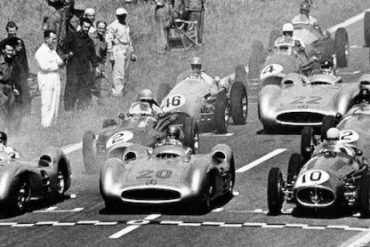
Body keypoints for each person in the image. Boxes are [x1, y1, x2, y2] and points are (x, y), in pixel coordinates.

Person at [61, 18, 99, 111]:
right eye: (85, 27)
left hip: (84, 68)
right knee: (72, 86)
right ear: (81, 26)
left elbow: (93, 55)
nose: (86, 29)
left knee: (83, 87)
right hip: (73, 67)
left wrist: (96, 66)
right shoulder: (73, 35)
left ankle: (81, 109)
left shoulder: (89, 41)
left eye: (88, 27)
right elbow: (62, 44)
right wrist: (68, 52)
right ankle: (69, 109)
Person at [0, 21, 31, 115]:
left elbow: (24, 59)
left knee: (23, 92)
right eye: (10, 33)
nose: (13, 35)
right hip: (9, 71)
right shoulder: (3, 43)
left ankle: (24, 112)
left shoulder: (20, 42)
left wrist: (26, 74)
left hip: (20, 71)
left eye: (14, 33)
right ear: (7, 32)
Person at [35, 30, 64, 128]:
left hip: (55, 77)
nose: (55, 41)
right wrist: (56, 65)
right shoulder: (40, 52)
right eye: (53, 39)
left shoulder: (52, 50)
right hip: (46, 78)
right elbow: (44, 66)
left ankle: (53, 123)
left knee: (56, 100)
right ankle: (45, 125)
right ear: (47, 39)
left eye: (55, 39)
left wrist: (58, 63)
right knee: (47, 102)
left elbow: (60, 61)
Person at [106, 7, 137, 97]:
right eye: (120, 16)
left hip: (126, 48)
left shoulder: (126, 25)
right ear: (117, 16)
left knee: (126, 71)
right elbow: (109, 40)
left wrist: (132, 52)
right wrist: (111, 54)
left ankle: (123, 90)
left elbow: (129, 39)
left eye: (123, 15)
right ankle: (117, 92)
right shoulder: (112, 26)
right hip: (118, 48)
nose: (122, 17)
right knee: (118, 71)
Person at [0, 38, 24, 132]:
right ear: (3, 50)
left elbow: (12, 76)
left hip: (10, 88)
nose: (10, 53)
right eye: (8, 50)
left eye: (11, 50)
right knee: (3, 112)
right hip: (1, 88)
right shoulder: (1, 61)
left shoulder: (12, 61)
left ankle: (10, 134)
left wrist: (14, 88)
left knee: (11, 111)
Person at [90, 21, 108, 97]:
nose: (102, 30)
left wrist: (102, 69)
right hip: (89, 63)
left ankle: (95, 103)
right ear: (96, 28)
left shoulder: (104, 41)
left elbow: (103, 57)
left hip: (98, 65)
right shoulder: (90, 37)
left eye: (103, 28)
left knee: (96, 85)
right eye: (100, 28)